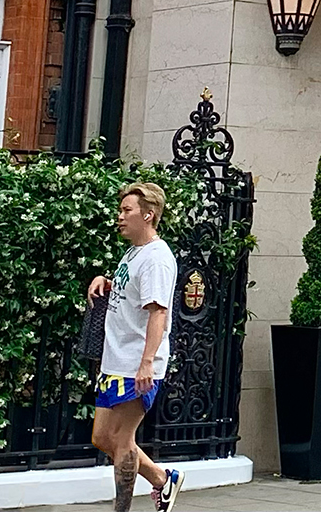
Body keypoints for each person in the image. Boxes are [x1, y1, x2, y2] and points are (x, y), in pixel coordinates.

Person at [86, 182, 182, 512]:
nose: (120, 216)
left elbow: (158, 312)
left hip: (135, 365)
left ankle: (122, 509)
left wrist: (147, 364)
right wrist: (107, 282)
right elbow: (134, 294)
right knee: (103, 437)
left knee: (122, 439)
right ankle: (161, 479)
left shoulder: (157, 258)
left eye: (127, 211)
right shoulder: (135, 252)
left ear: (148, 214)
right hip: (116, 360)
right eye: (121, 210)